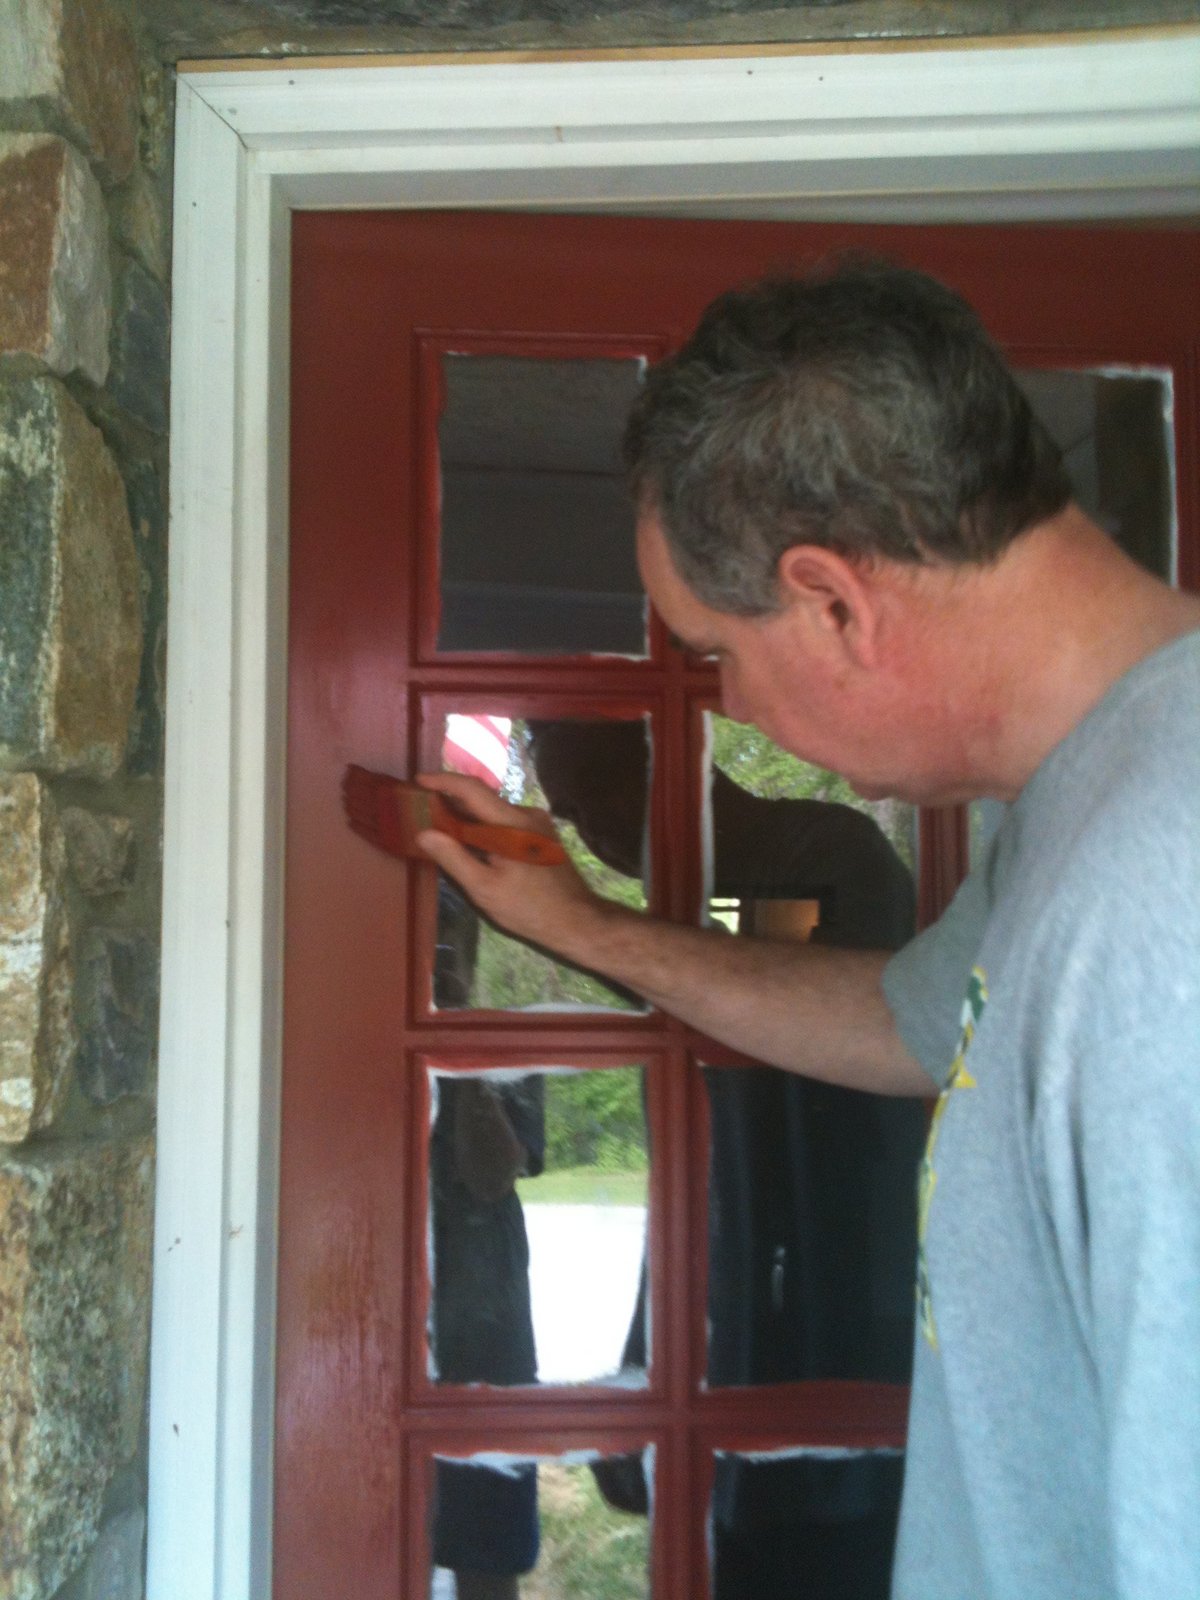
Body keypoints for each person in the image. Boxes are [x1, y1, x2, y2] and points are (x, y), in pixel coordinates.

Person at [395, 260, 1199, 1600]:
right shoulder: (1084, 802)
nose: (729, 706)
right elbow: (901, 1018)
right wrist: (585, 925)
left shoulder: (1171, 895)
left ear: (832, 599)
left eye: (717, 651)